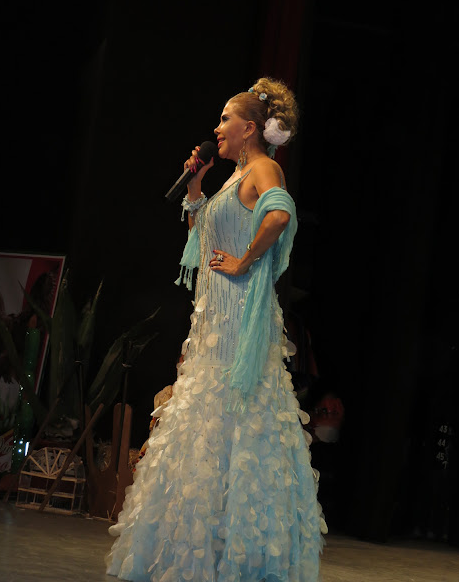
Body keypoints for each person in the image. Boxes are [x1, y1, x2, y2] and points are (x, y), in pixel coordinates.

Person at [106, 77, 326, 581]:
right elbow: (203, 239)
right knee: (208, 432)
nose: (217, 127)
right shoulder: (234, 176)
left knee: (236, 425)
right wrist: (195, 185)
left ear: (250, 129)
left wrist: (246, 261)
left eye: (226, 119)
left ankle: (239, 558)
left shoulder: (263, 167)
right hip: (213, 324)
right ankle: (199, 555)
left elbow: (280, 213)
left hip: (238, 325)